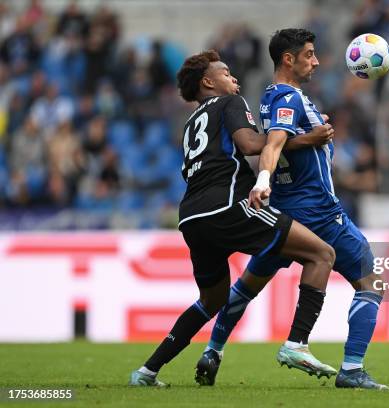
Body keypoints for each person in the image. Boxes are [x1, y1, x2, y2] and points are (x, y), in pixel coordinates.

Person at [129, 49, 337, 386]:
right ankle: (296, 344)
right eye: (226, 73)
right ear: (209, 82)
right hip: (228, 207)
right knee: (322, 253)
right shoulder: (230, 103)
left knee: (211, 300)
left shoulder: (190, 124)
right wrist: (306, 138)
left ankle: (147, 371)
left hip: (192, 218)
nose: (234, 79)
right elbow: (253, 145)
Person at [197, 29, 389, 390]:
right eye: (310, 55)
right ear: (289, 59)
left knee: (247, 286)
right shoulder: (287, 96)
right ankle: (349, 368)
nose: (316, 61)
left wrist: (314, 137)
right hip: (318, 211)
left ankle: (213, 349)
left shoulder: (275, 97)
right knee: (370, 283)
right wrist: (263, 178)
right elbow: (274, 144)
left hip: (285, 213)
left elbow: (285, 140)